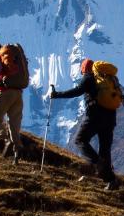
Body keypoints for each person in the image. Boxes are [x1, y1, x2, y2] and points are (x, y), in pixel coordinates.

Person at [50, 59, 119, 189]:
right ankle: (111, 181)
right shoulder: (108, 79)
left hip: (94, 116)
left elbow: (77, 91)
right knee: (105, 148)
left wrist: (57, 94)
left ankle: (99, 165)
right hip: (110, 117)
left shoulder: (88, 78)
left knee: (80, 140)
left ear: (83, 69)